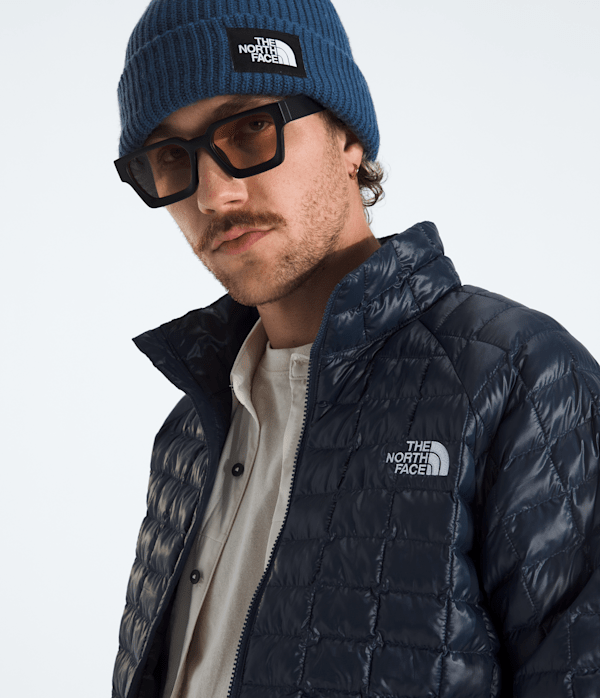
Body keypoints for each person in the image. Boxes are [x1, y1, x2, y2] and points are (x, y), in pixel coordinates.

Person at [111, 1, 600, 697]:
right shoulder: (190, 430)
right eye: (169, 157)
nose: (215, 194)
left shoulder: (517, 377)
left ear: (348, 139)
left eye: (250, 128)